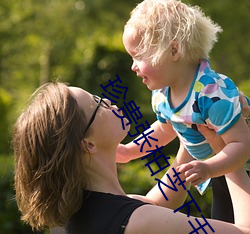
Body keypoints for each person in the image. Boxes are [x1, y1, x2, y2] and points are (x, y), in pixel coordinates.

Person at [13, 82, 250, 234]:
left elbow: (157, 203)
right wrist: (227, 149)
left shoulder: (79, 216)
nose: (108, 101)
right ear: (88, 144)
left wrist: (190, 121)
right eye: (97, 104)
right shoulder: (137, 222)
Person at [120, 0, 250, 223]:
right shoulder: (162, 94)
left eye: (138, 56)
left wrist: (209, 168)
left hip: (239, 170)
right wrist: (130, 151)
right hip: (219, 173)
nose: (133, 66)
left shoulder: (211, 93)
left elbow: (242, 144)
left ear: (173, 51)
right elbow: (164, 129)